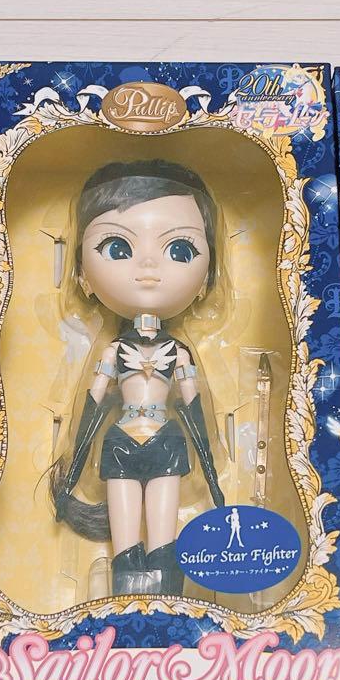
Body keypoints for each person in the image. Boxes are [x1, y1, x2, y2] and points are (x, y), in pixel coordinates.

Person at [52, 160, 224, 597]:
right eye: (117, 247)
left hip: (166, 441)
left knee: (164, 540)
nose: (148, 266)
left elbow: (195, 411)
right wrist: (73, 470)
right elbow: (91, 410)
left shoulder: (179, 353)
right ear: (81, 275)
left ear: (207, 278)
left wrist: (211, 472)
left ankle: (168, 598)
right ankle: (126, 597)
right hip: (121, 442)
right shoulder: (113, 352)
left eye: (179, 250)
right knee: (126, 542)